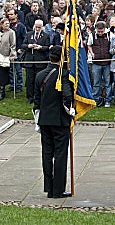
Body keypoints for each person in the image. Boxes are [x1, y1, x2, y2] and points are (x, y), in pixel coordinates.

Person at [33, 45, 73, 199]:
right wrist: (71, 111)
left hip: (44, 120)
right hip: (59, 120)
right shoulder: (63, 75)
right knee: (60, 155)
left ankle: (49, 188)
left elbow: (36, 101)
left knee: (47, 154)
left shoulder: (40, 75)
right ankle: (58, 190)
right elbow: (67, 97)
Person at [21, 19, 50, 104]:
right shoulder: (29, 34)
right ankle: (30, 97)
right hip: (30, 61)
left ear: (42, 27)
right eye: (36, 27)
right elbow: (23, 45)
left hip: (40, 61)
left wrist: (40, 47)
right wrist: (28, 46)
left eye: (39, 27)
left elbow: (47, 47)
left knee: (39, 80)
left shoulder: (45, 36)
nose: (37, 29)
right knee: (30, 80)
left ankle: (38, 96)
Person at [0, 18, 16, 100]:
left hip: (5, 56)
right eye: (5, 23)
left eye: (8, 23)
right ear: (1, 24)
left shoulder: (11, 32)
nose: (7, 25)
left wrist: (12, 55)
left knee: (3, 73)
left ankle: (2, 91)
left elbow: (13, 45)